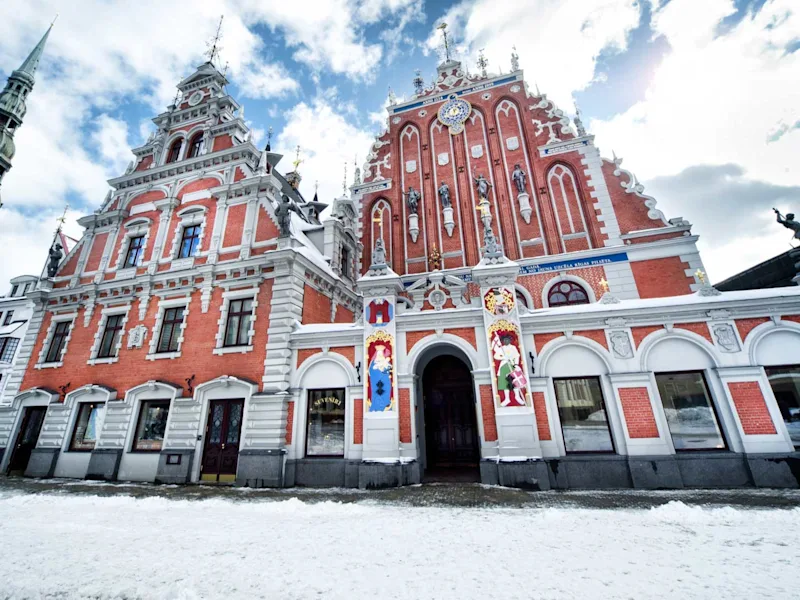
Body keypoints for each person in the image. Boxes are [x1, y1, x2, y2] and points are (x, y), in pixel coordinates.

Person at [368, 344, 393, 411]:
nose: (380, 356)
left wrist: (385, 367)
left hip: (385, 381)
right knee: (377, 394)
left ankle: (386, 404)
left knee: (386, 392)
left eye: (381, 355)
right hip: (376, 382)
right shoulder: (373, 363)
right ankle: (376, 407)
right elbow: (371, 371)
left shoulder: (386, 362)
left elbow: (390, 369)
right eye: (379, 355)